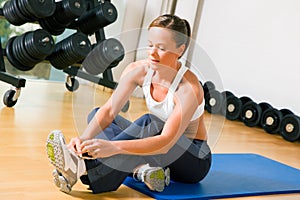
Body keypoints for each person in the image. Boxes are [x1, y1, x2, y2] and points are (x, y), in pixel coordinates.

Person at [46, 14, 212, 194]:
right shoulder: (138, 70)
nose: (152, 53)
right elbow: (109, 111)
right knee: (97, 114)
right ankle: (140, 169)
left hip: (192, 159)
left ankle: (84, 167)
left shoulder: (189, 88)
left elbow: (165, 143)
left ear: (180, 49)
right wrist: (83, 140)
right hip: (158, 151)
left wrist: (113, 147)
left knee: (151, 123)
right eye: (150, 45)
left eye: (161, 48)